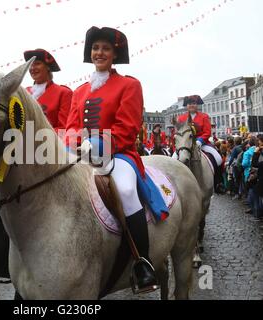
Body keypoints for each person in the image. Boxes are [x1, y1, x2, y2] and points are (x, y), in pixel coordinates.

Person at [65, 26, 158, 293]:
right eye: (96, 48)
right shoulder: (79, 90)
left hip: (118, 155)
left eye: (106, 48)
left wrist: (99, 144)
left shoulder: (129, 85)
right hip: (80, 154)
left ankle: (143, 264)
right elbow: (71, 125)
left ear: (114, 54)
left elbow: (127, 128)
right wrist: (74, 140)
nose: (99, 52)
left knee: (127, 190)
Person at [177, 95, 225, 193]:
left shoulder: (204, 116)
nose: (192, 105)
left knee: (218, 158)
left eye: (194, 103)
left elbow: (207, 132)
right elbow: (178, 132)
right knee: (173, 159)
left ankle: (218, 183)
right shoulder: (181, 118)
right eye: (190, 104)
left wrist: (200, 141)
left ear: (197, 105)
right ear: (187, 105)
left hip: (202, 143)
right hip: (185, 144)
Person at [24, 49, 73, 130]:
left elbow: (64, 128)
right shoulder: (25, 92)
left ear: (48, 67)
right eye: (30, 65)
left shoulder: (63, 93)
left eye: (37, 64)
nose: (32, 68)